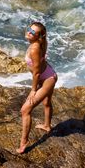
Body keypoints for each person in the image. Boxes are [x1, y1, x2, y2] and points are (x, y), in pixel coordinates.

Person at [16, 22, 58, 154]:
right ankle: (47, 125)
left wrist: (33, 89)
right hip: (48, 74)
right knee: (46, 102)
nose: (29, 32)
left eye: (33, 32)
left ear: (38, 36)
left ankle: (24, 142)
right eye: (29, 29)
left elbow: (37, 73)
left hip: (48, 79)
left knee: (25, 109)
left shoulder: (34, 48)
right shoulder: (37, 44)